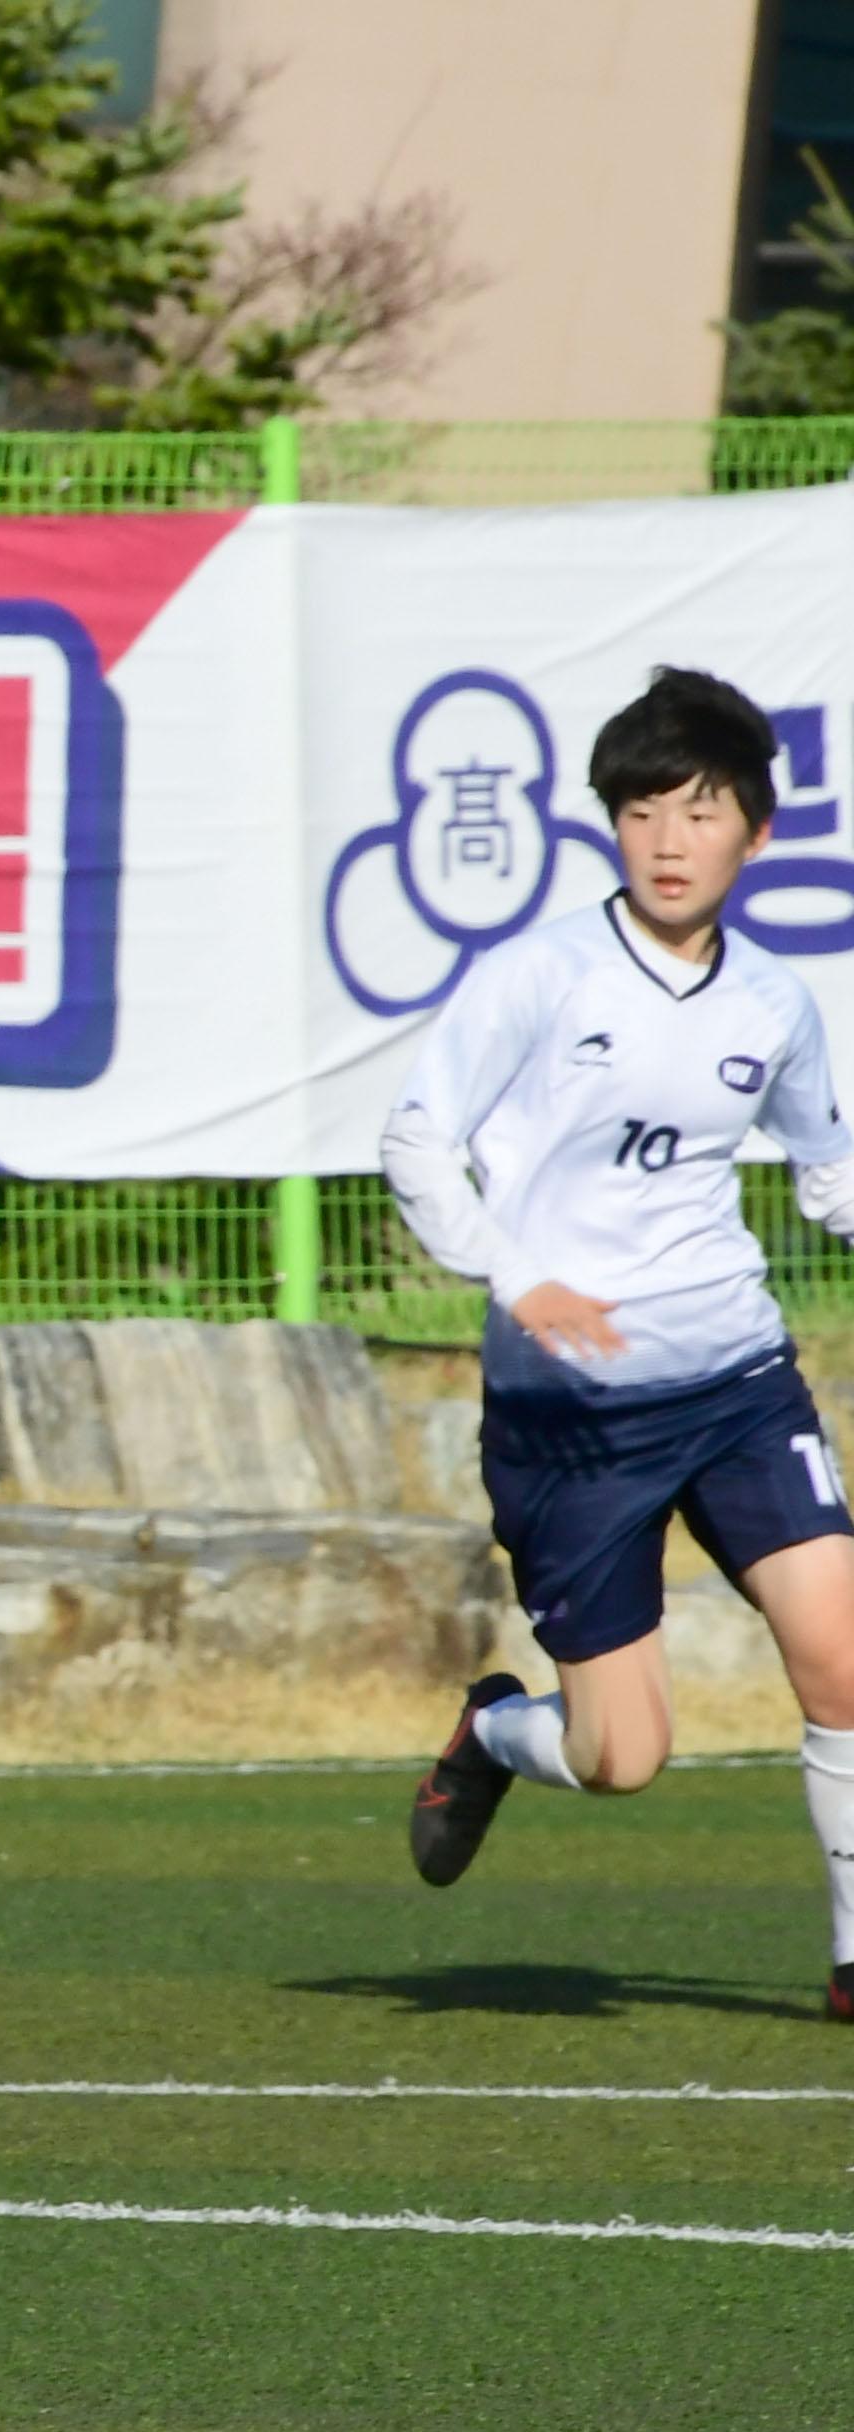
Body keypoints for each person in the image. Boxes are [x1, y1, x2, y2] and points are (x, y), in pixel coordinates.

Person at [392, 666, 854, 2019]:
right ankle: (489, 1732)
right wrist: (515, 1276)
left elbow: (828, 1178)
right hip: (573, 1414)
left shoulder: (774, 1002)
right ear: (610, 825)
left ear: (755, 835)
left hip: (735, 1379)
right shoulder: (538, 975)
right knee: (623, 1759)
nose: (668, 838)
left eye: (700, 811)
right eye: (644, 809)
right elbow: (416, 1139)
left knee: (840, 1653)